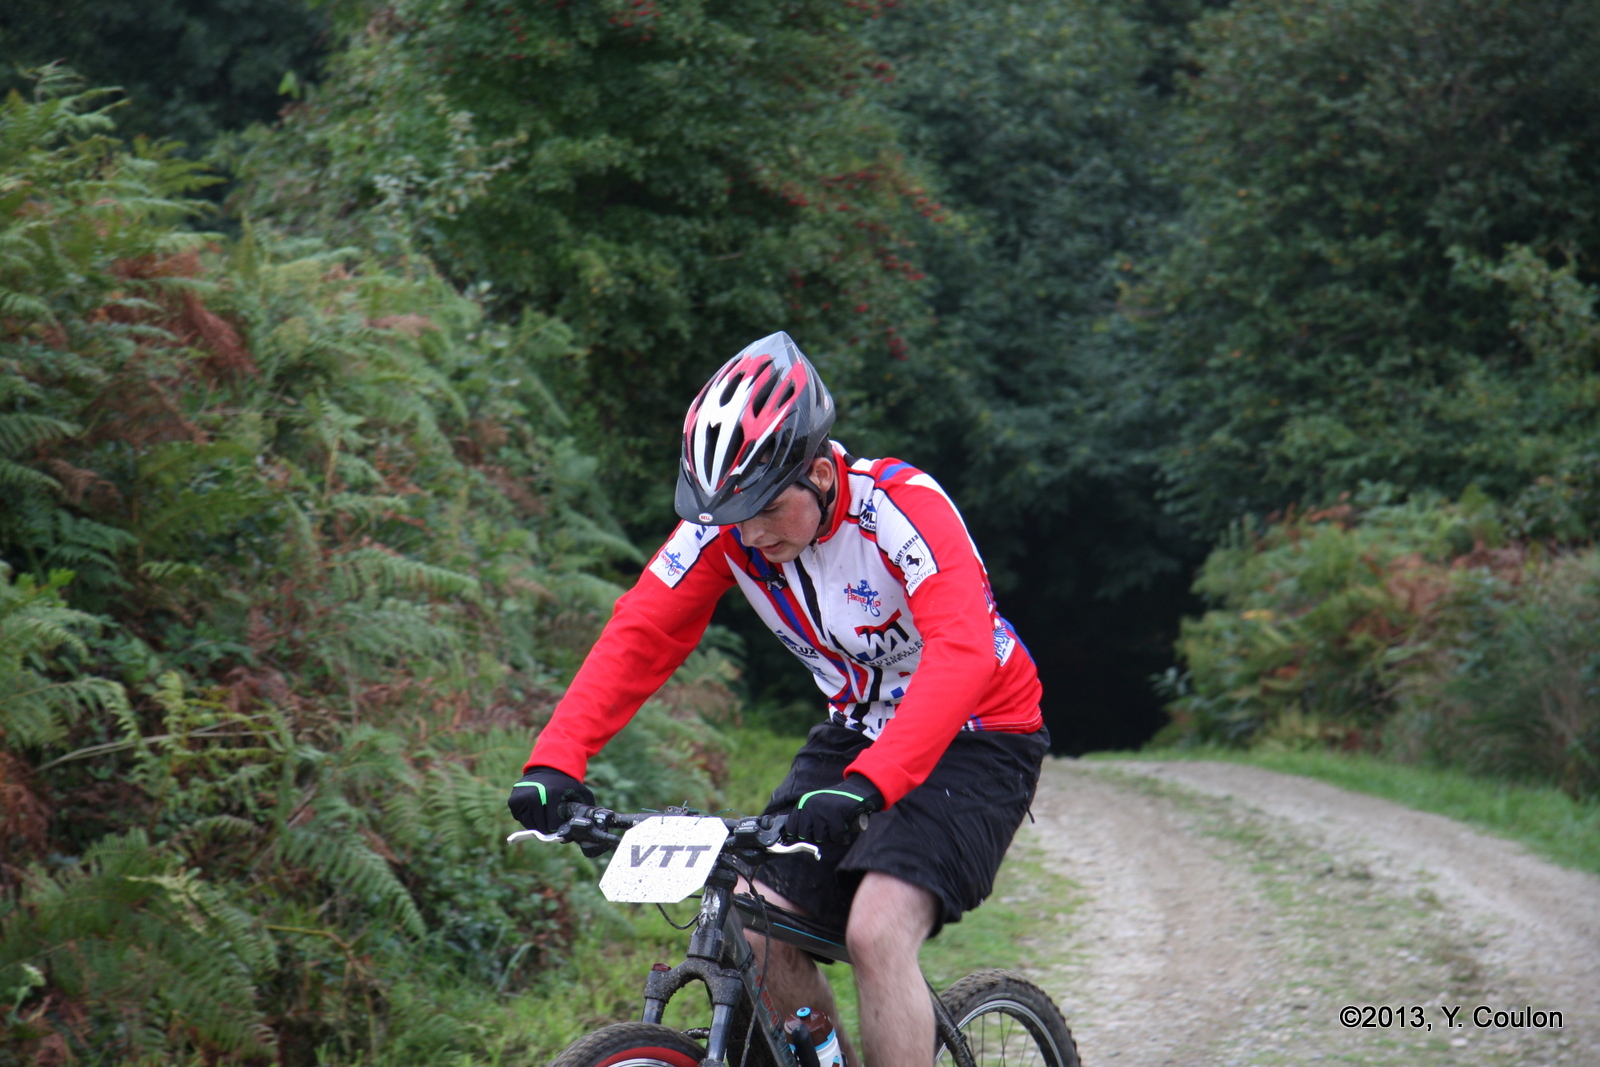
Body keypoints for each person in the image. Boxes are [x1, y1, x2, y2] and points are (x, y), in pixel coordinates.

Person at [508, 331, 1048, 1067]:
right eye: (732, 514)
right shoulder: (729, 531)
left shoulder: (902, 511)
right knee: (755, 924)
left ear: (820, 474)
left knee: (876, 931)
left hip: (981, 733)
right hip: (858, 728)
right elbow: (641, 632)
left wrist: (871, 782)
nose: (750, 532)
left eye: (763, 507)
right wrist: (557, 758)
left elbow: (961, 653)